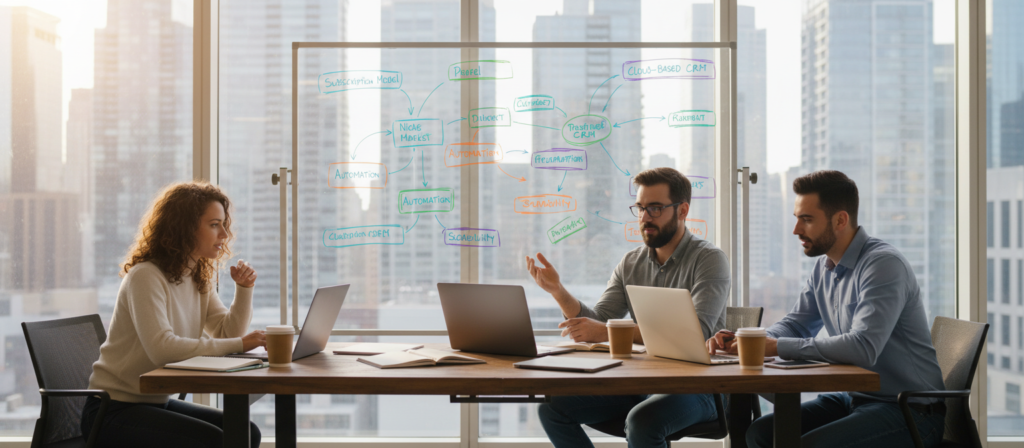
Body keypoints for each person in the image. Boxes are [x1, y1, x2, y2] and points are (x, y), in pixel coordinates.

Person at [706, 170, 947, 448]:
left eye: (807, 220)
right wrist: (748, 341)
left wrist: (776, 347)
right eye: (797, 218)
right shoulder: (824, 267)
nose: (796, 229)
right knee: (760, 434)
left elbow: (863, 348)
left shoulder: (883, 265)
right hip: (856, 399)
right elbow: (796, 324)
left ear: (840, 220)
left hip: (909, 411)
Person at [526, 167, 731, 448]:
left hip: (701, 388)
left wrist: (609, 332)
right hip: (642, 383)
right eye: (641, 208)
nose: (645, 218)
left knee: (643, 421)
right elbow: (599, 320)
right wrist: (558, 292)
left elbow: (697, 332)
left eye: (656, 209)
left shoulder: (710, 259)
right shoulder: (631, 262)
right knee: (552, 408)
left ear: (682, 211)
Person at [80, 182, 264, 448]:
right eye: (214, 224)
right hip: (111, 411)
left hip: (155, 403)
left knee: (246, 432)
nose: (225, 234)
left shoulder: (197, 275)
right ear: (186, 228)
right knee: (214, 440)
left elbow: (227, 332)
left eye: (224, 224)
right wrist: (241, 344)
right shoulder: (146, 275)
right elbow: (162, 350)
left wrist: (244, 289)